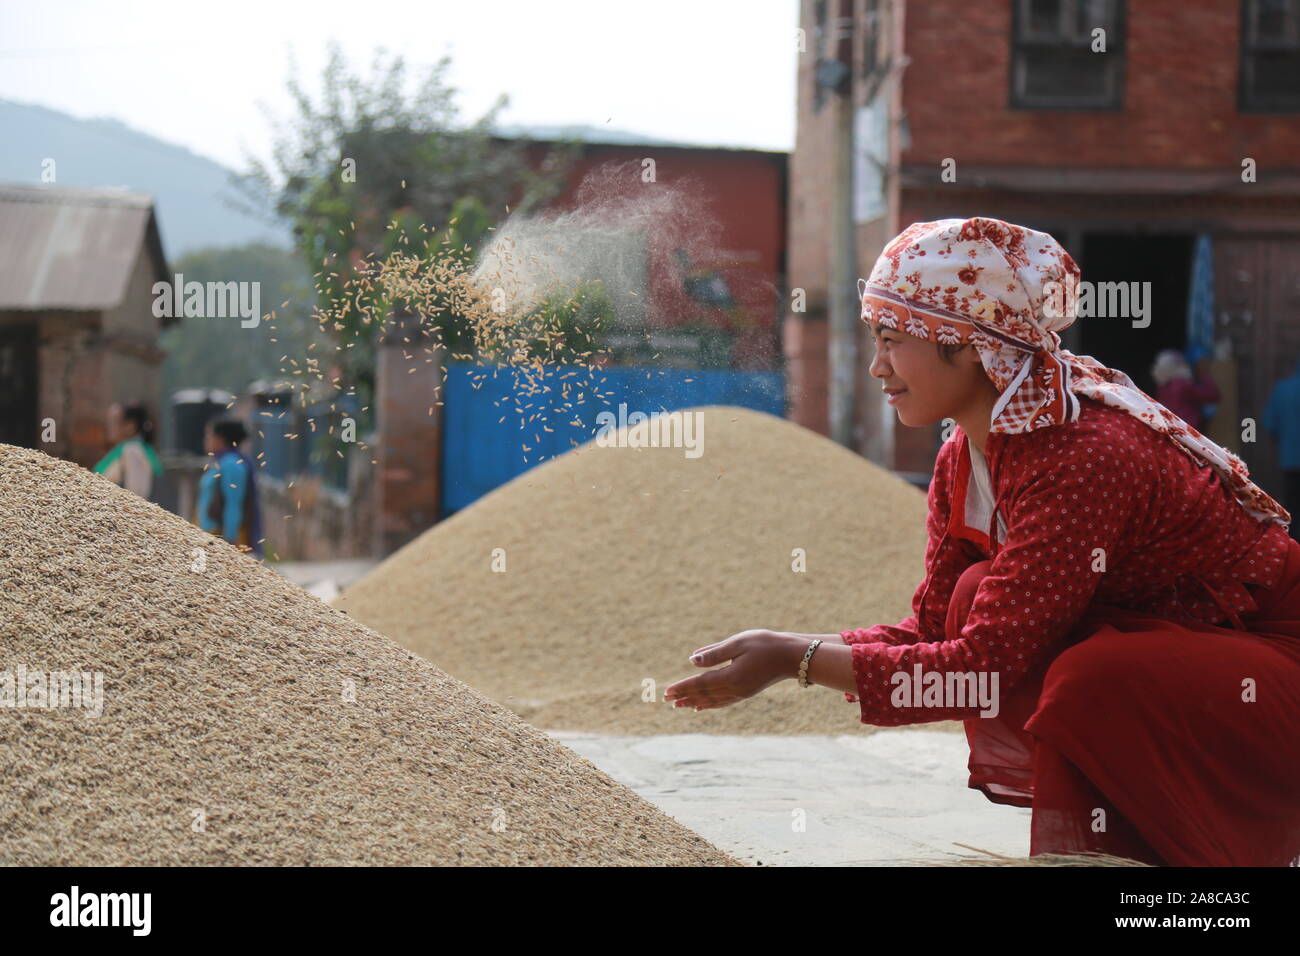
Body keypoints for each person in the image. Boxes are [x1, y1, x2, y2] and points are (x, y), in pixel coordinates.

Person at [664, 217, 1300, 867]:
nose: (878, 367)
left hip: (1270, 658)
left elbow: (979, 673)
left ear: (968, 343)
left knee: (1091, 678)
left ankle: (1183, 853)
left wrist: (793, 660)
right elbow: (935, 633)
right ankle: (1124, 844)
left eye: (892, 341)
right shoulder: (961, 458)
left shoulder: (1081, 454)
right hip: (1180, 653)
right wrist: (797, 650)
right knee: (974, 596)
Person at [197, 418, 263, 557]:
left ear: (220, 439)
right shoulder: (219, 462)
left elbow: (233, 504)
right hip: (209, 536)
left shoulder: (232, 464)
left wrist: (230, 542)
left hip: (221, 537)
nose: (205, 439)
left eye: (209, 435)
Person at [94, 401, 162, 501]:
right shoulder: (124, 449)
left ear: (130, 426)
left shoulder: (133, 451)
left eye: (114, 422)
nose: (109, 427)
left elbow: (137, 496)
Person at [1263, 359, 1300, 543]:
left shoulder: (1282, 389)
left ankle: (1294, 547)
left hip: (1291, 457)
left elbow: (1269, 423)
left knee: (1292, 504)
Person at [1152, 348, 1219, 431]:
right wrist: (1204, 374)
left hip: (1172, 428)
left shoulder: (1162, 386)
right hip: (1186, 429)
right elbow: (1211, 395)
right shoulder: (1181, 384)